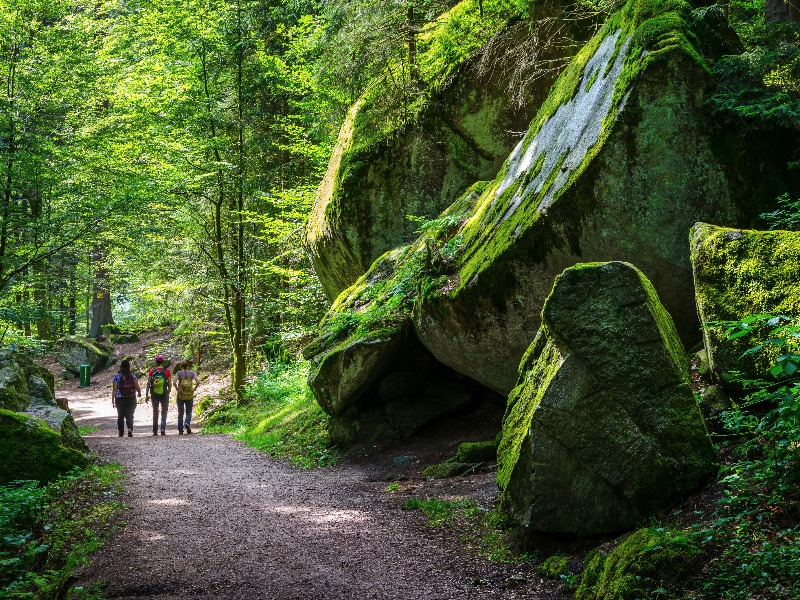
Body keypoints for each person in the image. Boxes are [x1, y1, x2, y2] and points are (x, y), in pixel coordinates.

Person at [112, 359, 141, 437]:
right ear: (129, 367)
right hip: (131, 397)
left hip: (120, 398)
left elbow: (115, 389)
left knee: (120, 415)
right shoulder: (132, 375)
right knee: (130, 414)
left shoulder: (116, 376)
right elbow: (137, 386)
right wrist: (139, 392)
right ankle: (130, 428)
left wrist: (113, 399)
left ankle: (121, 432)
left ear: (121, 366)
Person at [145, 354, 171, 436]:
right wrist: (168, 391)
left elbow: (148, 383)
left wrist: (146, 395)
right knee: (164, 411)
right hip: (164, 393)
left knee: (155, 411)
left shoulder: (152, 371)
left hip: (154, 393)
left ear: (156, 361)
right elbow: (170, 384)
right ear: (163, 362)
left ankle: (155, 430)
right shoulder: (167, 371)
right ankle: (163, 428)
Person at [173, 360, 199, 435]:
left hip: (180, 395)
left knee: (180, 413)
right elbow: (198, 382)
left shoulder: (179, 373)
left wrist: (177, 389)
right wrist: (194, 389)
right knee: (189, 412)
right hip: (189, 395)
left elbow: (174, 382)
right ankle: (187, 422)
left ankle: (180, 430)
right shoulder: (192, 373)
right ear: (188, 366)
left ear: (181, 366)